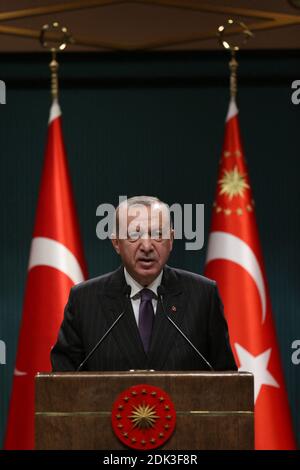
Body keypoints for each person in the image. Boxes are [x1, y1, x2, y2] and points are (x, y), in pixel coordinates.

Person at [51, 196, 237, 372]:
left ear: (171, 240)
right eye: (134, 235)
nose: (147, 246)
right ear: (116, 243)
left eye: (157, 234)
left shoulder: (202, 296)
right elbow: (62, 385)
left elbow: (227, 382)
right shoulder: (85, 301)